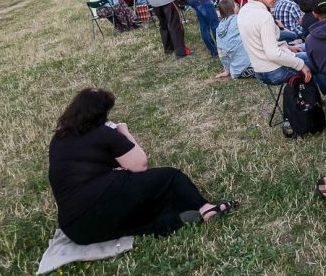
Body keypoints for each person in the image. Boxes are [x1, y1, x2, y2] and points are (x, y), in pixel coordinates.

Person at [48, 88, 238, 244]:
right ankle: (206, 209)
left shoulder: (59, 138)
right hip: (101, 207)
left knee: (137, 208)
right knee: (170, 177)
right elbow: (140, 165)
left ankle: (171, 222)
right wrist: (124, 132)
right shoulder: (104, 133)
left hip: (76, 229)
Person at [237, 0, 314, 86]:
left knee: (310, 47)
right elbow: (273, 54)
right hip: (274, 70)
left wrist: (288, 48)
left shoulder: (244, 11)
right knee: (319, 57)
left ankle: (314, 97)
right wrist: (300, 65)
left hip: (259, 69)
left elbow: (261, 43)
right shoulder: (264, 16)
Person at [215, 0, 253, 79]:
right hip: (248, 64)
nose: (238, 5)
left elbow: (221, 51)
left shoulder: (220, 26)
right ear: (232, 8)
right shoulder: (239, 19)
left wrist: (227, 69)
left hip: (235, 69)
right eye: (236, 5)